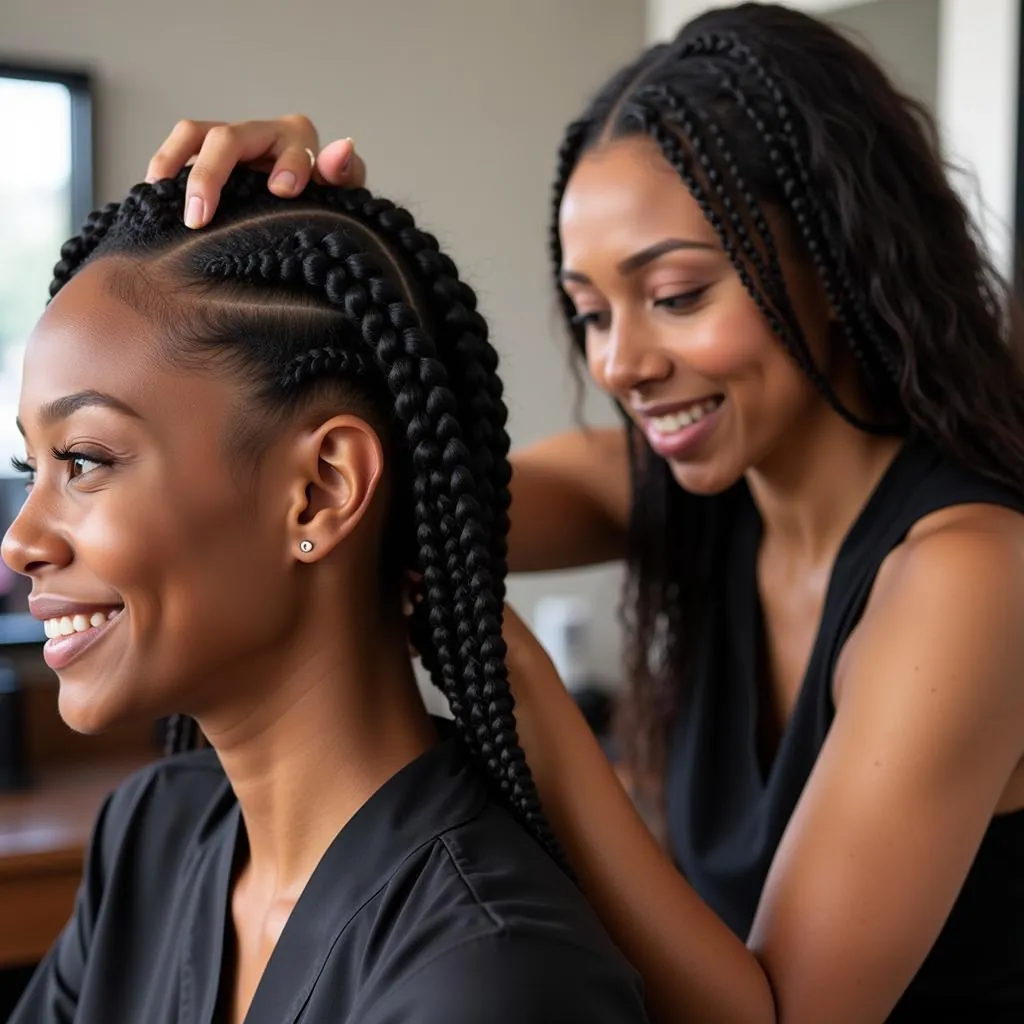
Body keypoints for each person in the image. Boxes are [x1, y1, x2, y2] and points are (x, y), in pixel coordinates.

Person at [146, 3, 1024, 1022]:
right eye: (593, 312)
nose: (620, 364)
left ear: (838, 261)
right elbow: (385, 484)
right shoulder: (675, 493)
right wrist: (315, 236)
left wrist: (520, 690)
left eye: (678, 293)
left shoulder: (974, 572)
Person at [3, 168, 650, 1023]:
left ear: (321, 490)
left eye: (83, 462)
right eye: (30, 467)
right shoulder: (153, 832)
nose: (19, 542)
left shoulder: (496, 975)